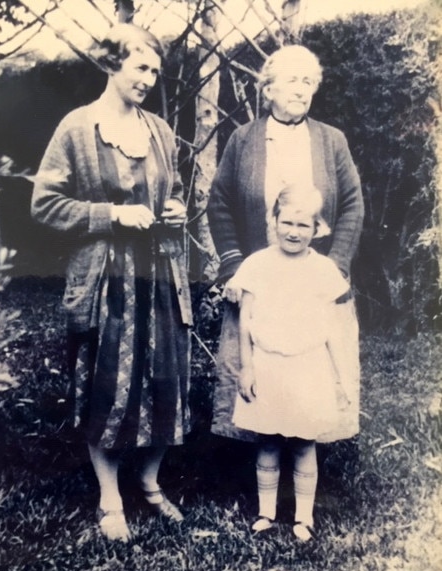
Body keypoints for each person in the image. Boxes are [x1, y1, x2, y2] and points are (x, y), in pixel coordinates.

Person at [31, 24, 192, 542]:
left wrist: (174, 208)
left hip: (159, 276)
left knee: (166, 378)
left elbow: (178, 191)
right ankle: (109, 495)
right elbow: (45, 205)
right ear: (111, 65)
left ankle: (148, 481)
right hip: (107, 282)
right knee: (108, 386)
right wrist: (113, 215)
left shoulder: (161, 132)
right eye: (139, 67)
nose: (148, 79)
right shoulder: (77, 129)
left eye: (154, 71)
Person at [207, 44, 364, 444]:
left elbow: (352, 205)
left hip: (314, 278)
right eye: (293, 80)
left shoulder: (332, 141)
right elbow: (220, 203)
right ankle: (257, 457)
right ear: (269, 88)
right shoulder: (243, 140)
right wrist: (235, 268)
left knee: (313, 366)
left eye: (309, 82)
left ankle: (310, 449)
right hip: (262, 279)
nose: (302, 90)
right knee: (259, 365)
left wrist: (336, 266)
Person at [232, 185, 350, 540]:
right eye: (287, 223)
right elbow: (245, 320)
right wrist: (247, 366)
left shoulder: (324, 270)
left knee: (303, 442)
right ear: (274, 221)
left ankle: (304, 517)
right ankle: (266, 513)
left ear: (317, 229)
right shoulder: (257, 265)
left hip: (307, 366)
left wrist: (340, 378)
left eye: (303, 225)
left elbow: (331, 328)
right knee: (267, 439)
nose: (293, 232)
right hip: (267, 363)